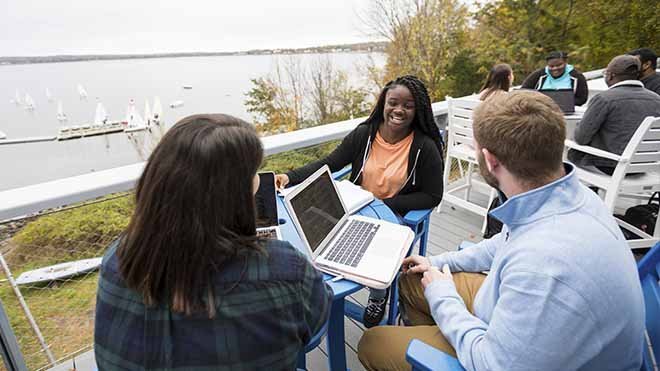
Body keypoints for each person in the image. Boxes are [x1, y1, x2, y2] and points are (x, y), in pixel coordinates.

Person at [357, 91, 645, 371]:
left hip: (500, 355)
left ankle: (439, 352)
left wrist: (444, 298)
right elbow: (503, 243)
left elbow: (493, 363)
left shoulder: (543, 268)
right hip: (520, 319)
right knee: (413, 279)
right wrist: (437, 263)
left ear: (490, 161)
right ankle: (448, 337)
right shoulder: (567, 196)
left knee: (373, 343)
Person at [94, 114, 332, 370]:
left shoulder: (116, 262)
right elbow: (317, 319)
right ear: (231, 196)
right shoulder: (284, 271)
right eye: (252, 174)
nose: (257, 183)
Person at [275, 75, 444, 328]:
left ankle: (378, 295)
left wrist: (388, 203)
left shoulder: (424, 147)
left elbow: (433, 195)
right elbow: (329, 164)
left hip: (393, 212)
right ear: (383, 103)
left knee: (373, 258)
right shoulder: (365, 134)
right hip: (352, 207)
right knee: (311, 236)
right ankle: (319, 290)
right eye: (393, 103)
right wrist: (289, 176)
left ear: (417, 109)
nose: (399, 110)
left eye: (408, 106)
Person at [568, 55, 660, 175]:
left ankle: (590, 192)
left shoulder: (604, 99)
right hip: (645, 168)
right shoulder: (657, 99)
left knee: (570, 152)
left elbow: (581, 138)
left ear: (610, 75)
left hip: (611, 166)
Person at [521, 51, 589, 105]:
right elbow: (523, 92)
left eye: (559, 65)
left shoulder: (577, 77)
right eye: (551, 66)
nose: (555, 68)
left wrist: (561, 101)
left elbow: (582, 99)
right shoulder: (538, 75)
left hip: (567, 111)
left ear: (565, 63)